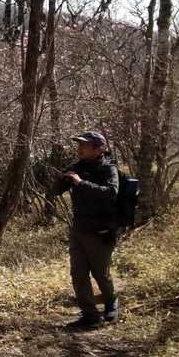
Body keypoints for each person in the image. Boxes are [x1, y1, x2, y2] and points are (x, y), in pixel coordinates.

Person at [54, 130, 120, 330]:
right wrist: (63, 179)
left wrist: (81, 183)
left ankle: (111, 303)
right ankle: (90, 315)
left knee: (101, 273)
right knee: (78, 274)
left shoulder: (108, 169)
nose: (80, 149)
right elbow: (54, 191)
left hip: (101, 231)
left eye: (85, 145)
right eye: (79, 145)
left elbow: (111, 193)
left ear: (99, 149)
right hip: (79, 230)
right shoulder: (77, 167)